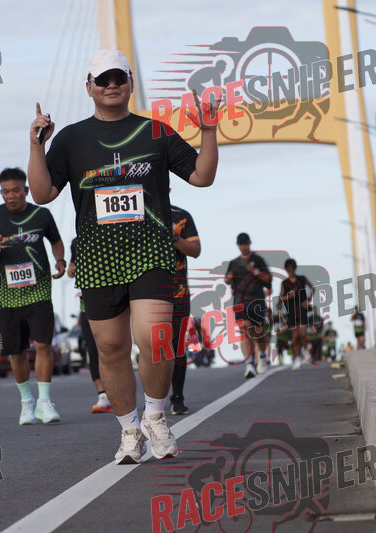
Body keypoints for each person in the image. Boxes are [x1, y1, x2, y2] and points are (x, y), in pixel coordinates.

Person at [28, 49, 219, 464]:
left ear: (131, 83)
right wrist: (36, 146)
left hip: (151, 251)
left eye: (119, 77)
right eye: (103, 79)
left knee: (155, 338)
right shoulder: (71, 139)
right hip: (98, 257)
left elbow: (201, 177)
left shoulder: (156, 132)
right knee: (111, 349)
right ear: (89, 87)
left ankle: (156, 416)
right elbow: (42, 194)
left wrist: (208, 131)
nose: (112, 84)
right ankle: (130, 431)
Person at [0, 168, 66, 425]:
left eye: (15, 190)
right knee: (17, 351)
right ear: (1, 193)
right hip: (8, 298)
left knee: (44, 345)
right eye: (5, 192)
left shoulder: (41, 215)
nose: (11, 196)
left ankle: (45, 402)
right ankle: (27, 402)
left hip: (39, 292)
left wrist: (60, 260)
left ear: (25, 190)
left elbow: (56, 241)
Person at [67, 238, 112, 414]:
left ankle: (117, 391)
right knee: (93, 351)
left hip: (111, 302)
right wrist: (71, 269)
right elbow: (71, 270)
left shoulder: (109, 235)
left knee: (111, 349)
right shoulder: (77, 242)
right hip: (86, 307)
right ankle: (102, 395)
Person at [224, 233, 272, 378]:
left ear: (249, 243)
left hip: (256, 301)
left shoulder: (258, 260)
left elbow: (268, 279)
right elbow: (227, 279)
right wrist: (228, 279)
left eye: (245, 244)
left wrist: (255, 271)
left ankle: (262, 355)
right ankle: (250, 364)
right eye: (241, 244)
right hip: (240, 302)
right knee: (244, 330)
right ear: (238, 245)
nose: (243, 246)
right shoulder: (234, 263)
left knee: (258, 332)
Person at [169, 202, 201, 415]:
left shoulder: (181, 216)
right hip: (146, 291)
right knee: (151, 346)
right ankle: (153, 400)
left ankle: (177, 396)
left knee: (177, 345)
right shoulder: (135, 213)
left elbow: (196, 251)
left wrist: (174, 237)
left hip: (178, 290)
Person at [280, 258, 314, 370]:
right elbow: (281, 297)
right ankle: (298, 358)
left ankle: (305, 350)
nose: (290, 271)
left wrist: (308, 300)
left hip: (302, 309)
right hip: (291, 311)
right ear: (286, 270)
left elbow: (312, 288)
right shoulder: (284, 283)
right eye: (288, 269)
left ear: (295, 268)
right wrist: (288, 296)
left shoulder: (302, 279)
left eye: (292, 269)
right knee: (295, 336)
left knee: (303, 333)